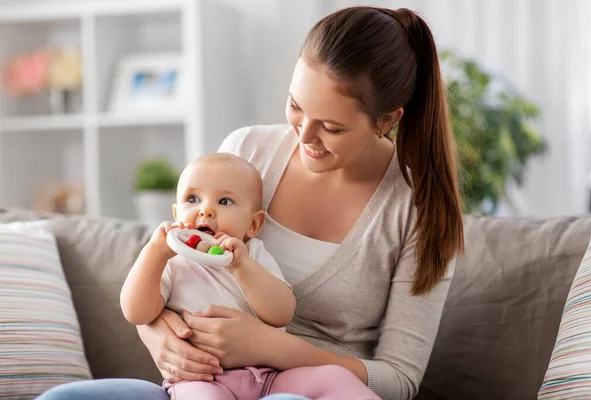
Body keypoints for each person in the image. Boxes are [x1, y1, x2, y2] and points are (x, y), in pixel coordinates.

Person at [36, 6, 463, 400]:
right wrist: (162, 337)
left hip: (305, 389)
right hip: (202, 383)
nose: (304, 135)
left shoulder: (419, 211)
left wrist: (274, 347)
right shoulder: (248, 151)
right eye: (296, 106)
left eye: (331, 127)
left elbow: (400, 380)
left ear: (387, 121)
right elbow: (172, 277)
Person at [119, 153, 378, 399]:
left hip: (269, 377)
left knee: (334, 378)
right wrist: (154, 253)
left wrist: (240, 265)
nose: (205, 210)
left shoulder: (252, 255)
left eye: (224, 202)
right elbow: (136, 312)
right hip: (200, 379)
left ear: (253, 225)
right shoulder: (172, 261)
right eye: (193, 199)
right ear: (176, 215)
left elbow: (281, 313)